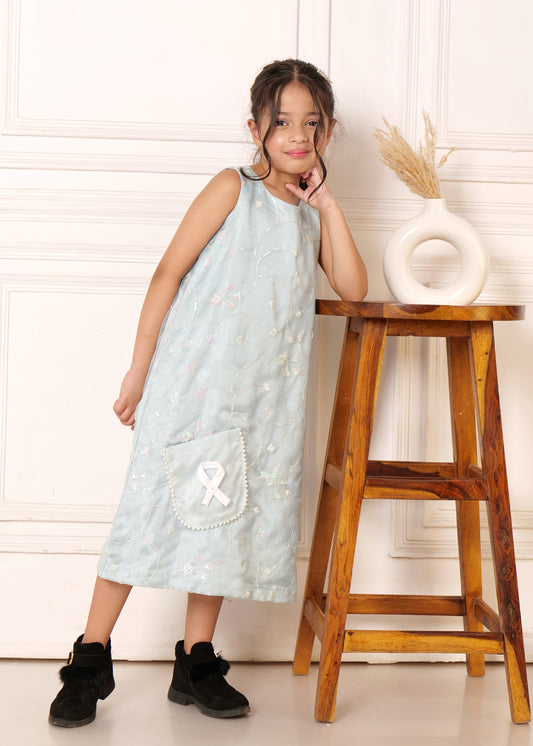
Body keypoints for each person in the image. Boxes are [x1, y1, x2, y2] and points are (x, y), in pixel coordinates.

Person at [49, 58, 367, 728]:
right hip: (191, 389)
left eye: (310, 123)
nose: (296, 134)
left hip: (260, 406)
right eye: (281, 121)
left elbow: (353, 287)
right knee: (145, 518)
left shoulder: (309, 216)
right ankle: (89, 657)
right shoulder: (233, 189)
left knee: (220, 529)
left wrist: (329, 205)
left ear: (327, 132)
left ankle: (195, 662)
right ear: (254, 127)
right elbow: (168, 272)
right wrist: (139, 369)